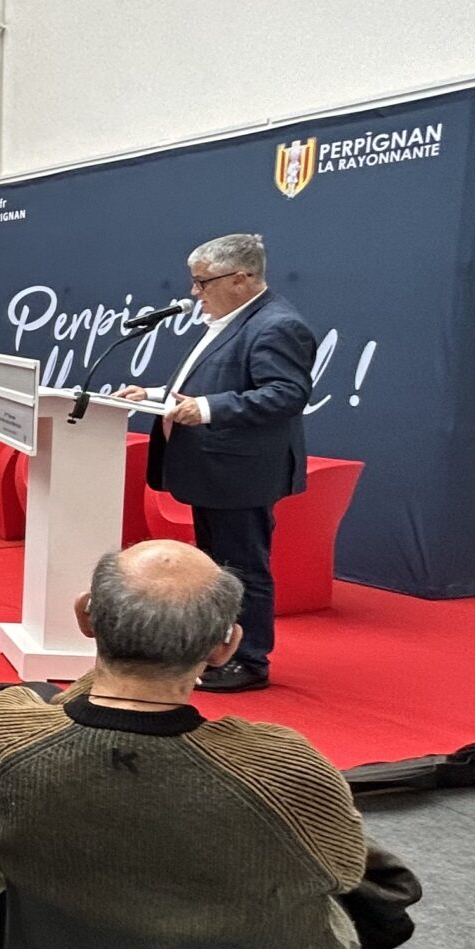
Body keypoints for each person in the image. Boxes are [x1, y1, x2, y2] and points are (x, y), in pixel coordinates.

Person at [0, 540, 436, 949]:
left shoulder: (1, 727)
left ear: (85, 615)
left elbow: (85, 738)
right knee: (354, 900)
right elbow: (355, 877)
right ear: (225, 645)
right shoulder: (280, 771)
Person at [115, 233, 315, 693]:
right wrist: (155, 396)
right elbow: (211, 383)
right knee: (219, 569)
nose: (194, 293)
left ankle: (248, 660)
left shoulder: (277, 324)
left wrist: (206, 410)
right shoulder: (236, 319)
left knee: (242, 569)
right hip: (215, 470)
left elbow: (286, 395)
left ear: (241, 279)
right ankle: (219, 647)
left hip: (241, 472)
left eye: (202, 282)